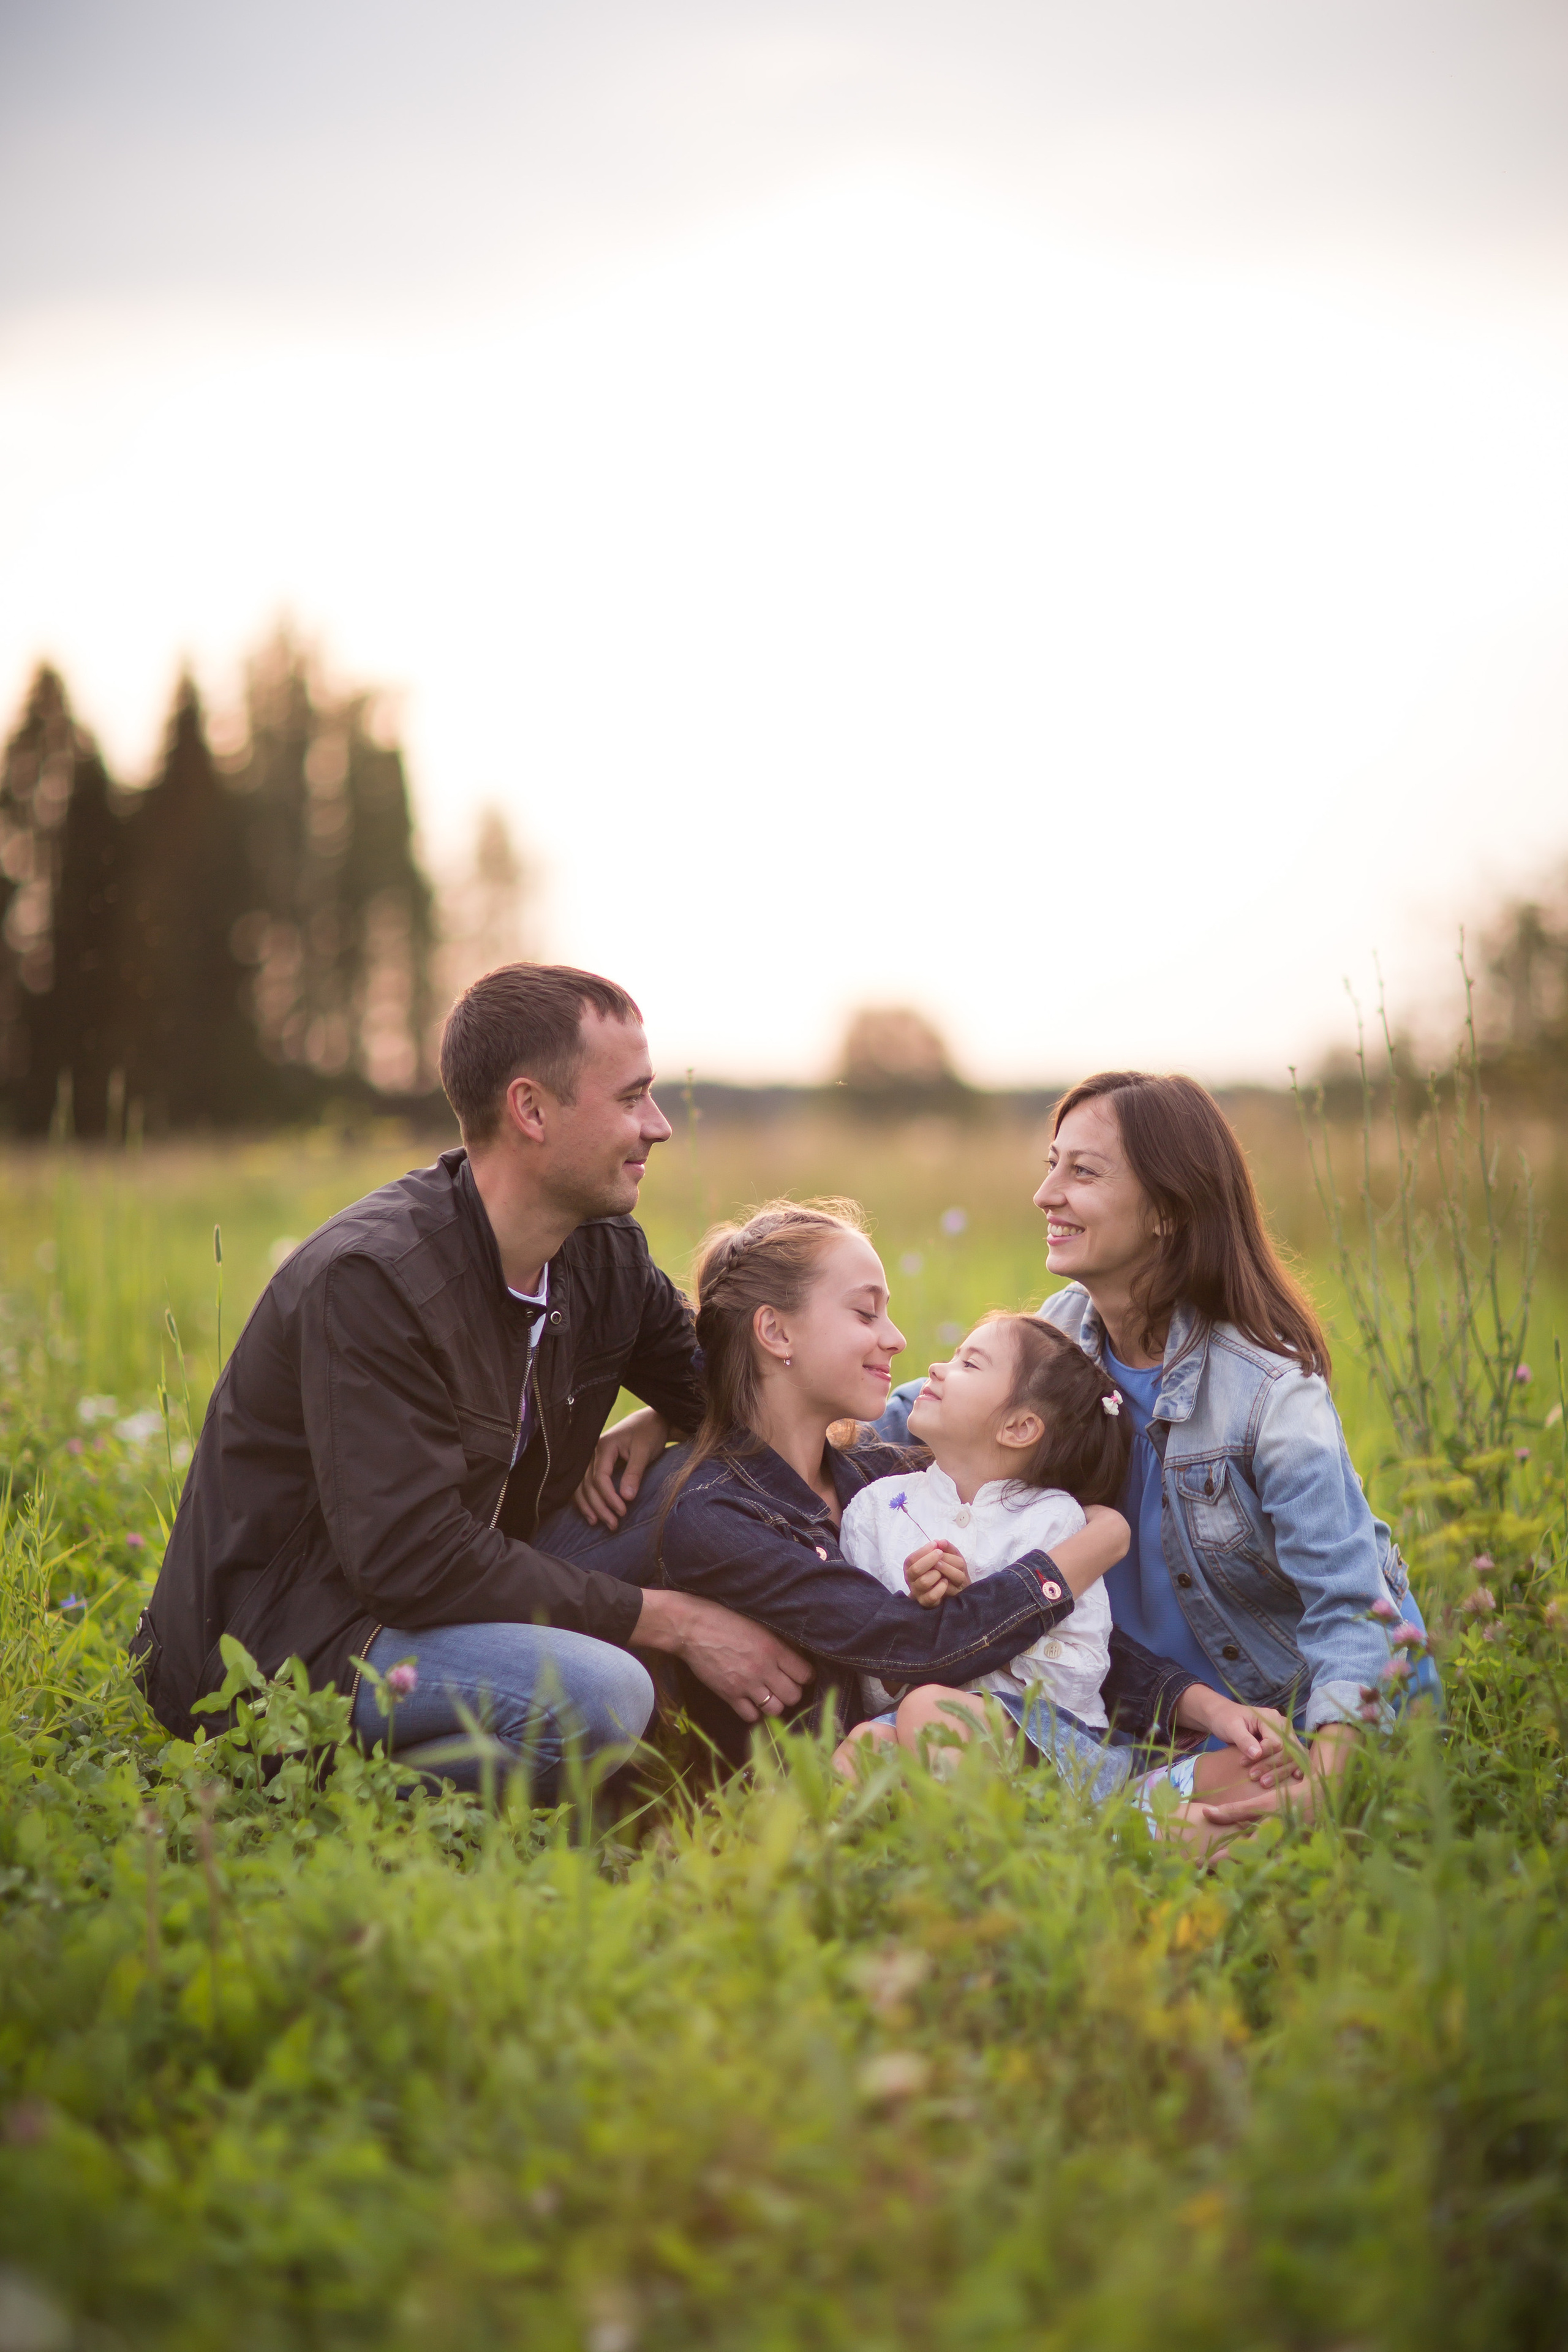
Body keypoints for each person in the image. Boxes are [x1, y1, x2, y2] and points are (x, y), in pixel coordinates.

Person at [129, 963, 816, 1796]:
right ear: (530, 1109)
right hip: (298, 1640)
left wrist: (666, 1424)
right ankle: (334, 1790)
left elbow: (744, 1406)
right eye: (631, 1098)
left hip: (463, 1589)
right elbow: (410, 1563)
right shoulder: (374, 1282)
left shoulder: (602, 1254)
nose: (660, 1126)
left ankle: (813, 1737)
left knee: (698, 1482)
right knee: (605, 1693)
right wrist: (672, 1623)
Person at [878, 1071, 1433, 1831]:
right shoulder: (1066, 1328)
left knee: (1218, 1845)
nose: (1046, 1194)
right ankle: (1114, 1832)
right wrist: (679, 1416)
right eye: (1051, 1163)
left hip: (1273, 1718)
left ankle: (1132, 1839)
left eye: (1082, 1171)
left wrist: (1327, 1774)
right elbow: (907, 1409)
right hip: (1130, 1713)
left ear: (1168, 1211)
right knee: (879, 1749)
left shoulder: (1270, 1395)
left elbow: (1356, 1608)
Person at [548, 1197, 1227, 1771]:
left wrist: (1195, 1702)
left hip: (938, 1753)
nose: (897, 1339)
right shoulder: (712, 1513)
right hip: (829, 1794)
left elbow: (1052, 1638)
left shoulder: (886, 1473)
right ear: (775, 1331)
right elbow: (917, 1646)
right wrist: (1082, 1552)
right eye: (866, 1313)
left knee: (1243, 1773)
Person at [831, 1313, 1294, 1840]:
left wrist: (983, 1613)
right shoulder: (875, 1511)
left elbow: (1091, 1665)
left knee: (1271, 1773)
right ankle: (1093, 1843)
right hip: (919, 1729)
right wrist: (921, 1614)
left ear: (1019, 1427)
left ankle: (1055, 1850)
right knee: (868, 1748)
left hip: (1052, 1742)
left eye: (968, 1363)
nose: (935, 1368)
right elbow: (869, 1679)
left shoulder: (1054, 1519)